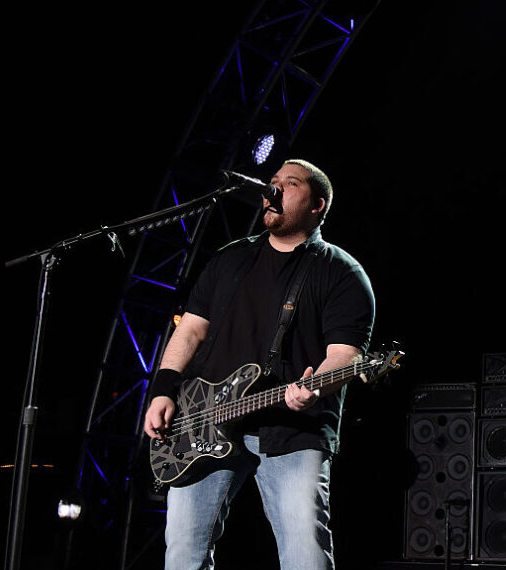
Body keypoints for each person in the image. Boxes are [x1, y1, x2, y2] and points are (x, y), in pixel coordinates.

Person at [143, 159, 375, 570]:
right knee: (183, 554)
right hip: (203, 421)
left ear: (317, 204)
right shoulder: (230, 259)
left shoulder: (341, 272)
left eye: (290, 183)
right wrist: (163, 389)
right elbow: (190, 331)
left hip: (292, 431)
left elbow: (344, 355)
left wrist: (316, 387)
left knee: (304, 549)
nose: (274, 190)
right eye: (272, 183)